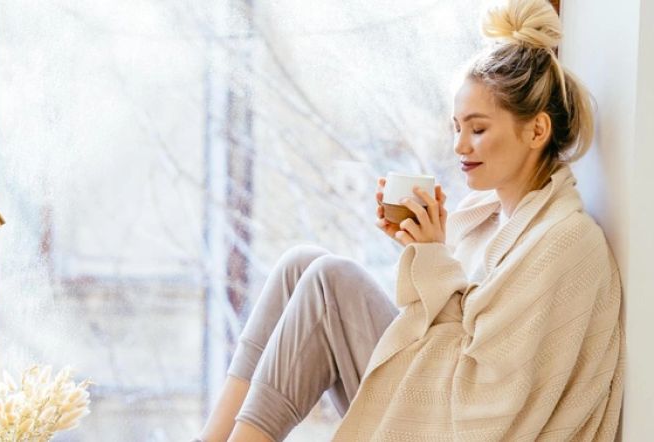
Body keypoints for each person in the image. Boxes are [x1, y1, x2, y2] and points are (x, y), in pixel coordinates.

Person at [193, 0, 625, 440]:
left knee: (327, 279)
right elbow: (440, 329)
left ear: (537, 130)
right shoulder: (485, 219)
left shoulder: (565, 242)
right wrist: (422, 250)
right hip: (438, 398)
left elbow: (487, 404)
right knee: (298, 266)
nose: (460, 146)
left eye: (477, 129)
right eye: (456, 127)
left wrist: (433, 258)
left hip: (459, 422)